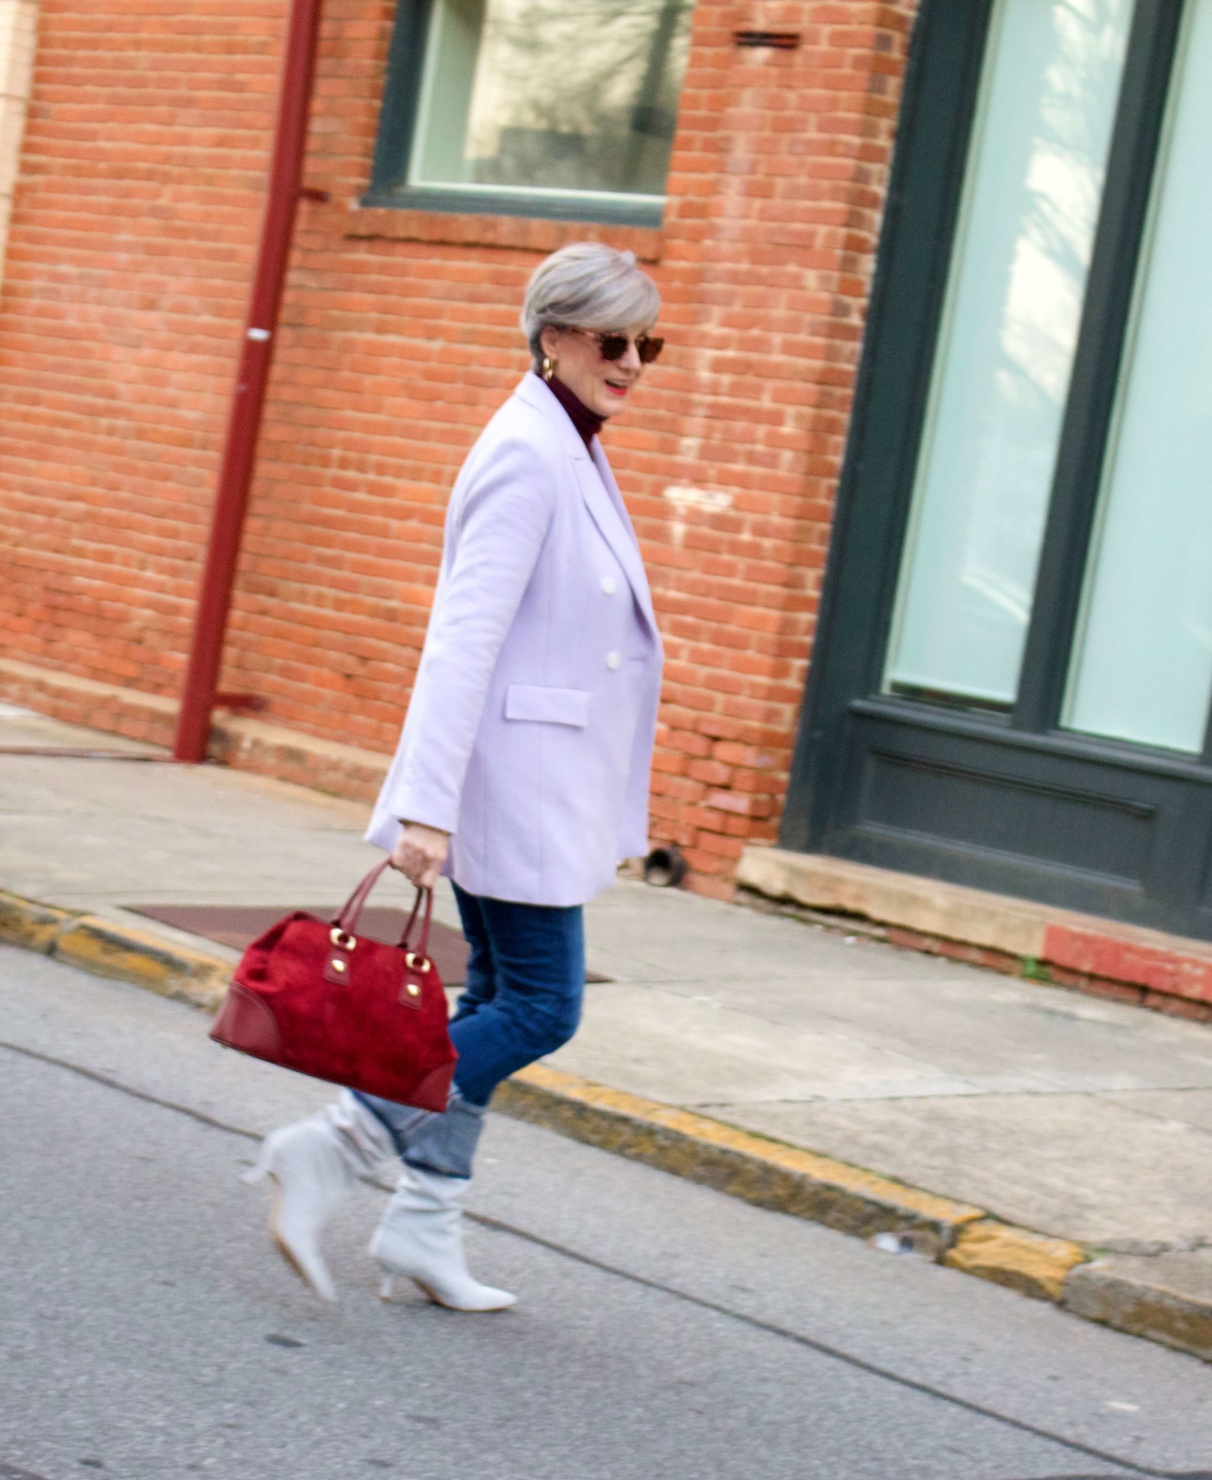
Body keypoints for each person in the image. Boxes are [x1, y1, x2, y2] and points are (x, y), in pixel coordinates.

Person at [244, 242, 665, 1311]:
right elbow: (460, 641)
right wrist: (426, 805)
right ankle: (337, 1143)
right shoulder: (528, 451)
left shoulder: (569, 440)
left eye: (645, 343)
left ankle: (424, 1227)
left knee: (489, 995)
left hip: (533, 781)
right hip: (505, 785)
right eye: (611, 341)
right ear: (553, 335)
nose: (630, 362)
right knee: (538, 1008)